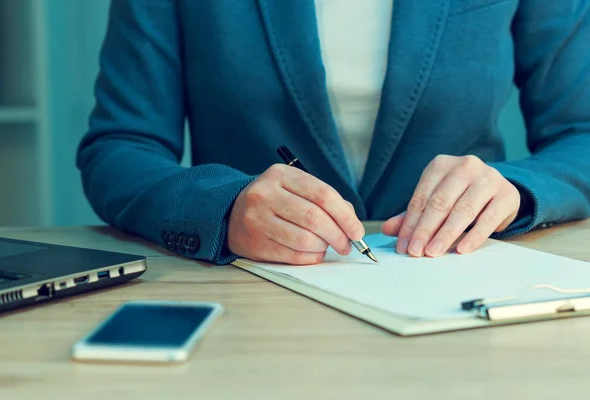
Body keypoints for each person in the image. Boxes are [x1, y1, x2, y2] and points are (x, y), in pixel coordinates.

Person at [76, 0, 590, 266]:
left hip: (458, 290)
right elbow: (120, 147)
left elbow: (581, 133)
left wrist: (515, 191)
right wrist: (223, 206)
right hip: (255, 304)